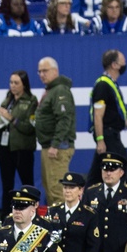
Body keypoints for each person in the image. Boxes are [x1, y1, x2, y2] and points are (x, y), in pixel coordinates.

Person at [0, 68, 40, 209]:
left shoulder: (31, 101)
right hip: (5, 148)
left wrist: (11, 118)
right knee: (7, 185)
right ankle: (6, 217)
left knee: (27, 184)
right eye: (11, 82)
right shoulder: (7, 100)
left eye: (16, 82)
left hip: (23, 149)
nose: (12, 85)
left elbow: (30, 128)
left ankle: (32, 214)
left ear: (24, 84)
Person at [34, 56, 77, 189]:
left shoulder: (59, 90)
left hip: (57, 147)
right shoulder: (50, 90)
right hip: (49, 146)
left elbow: (64, 119)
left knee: (57, 190)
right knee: (50, 188)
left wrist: (55, 144)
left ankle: (63, 211)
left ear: (55, 71)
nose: (41, 74)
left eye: (45, 71)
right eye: (39, 71)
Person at [89, 48, 127, 179]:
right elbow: (98, 115)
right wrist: (100, 140)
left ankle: (86, 197)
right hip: (108, 135)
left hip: (111, 134)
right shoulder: (103, 85)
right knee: (125, 170)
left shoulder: (110, 84)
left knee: (96, 174)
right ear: (114, 65)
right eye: (123, 60)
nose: (125, 63)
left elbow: (114, 112)